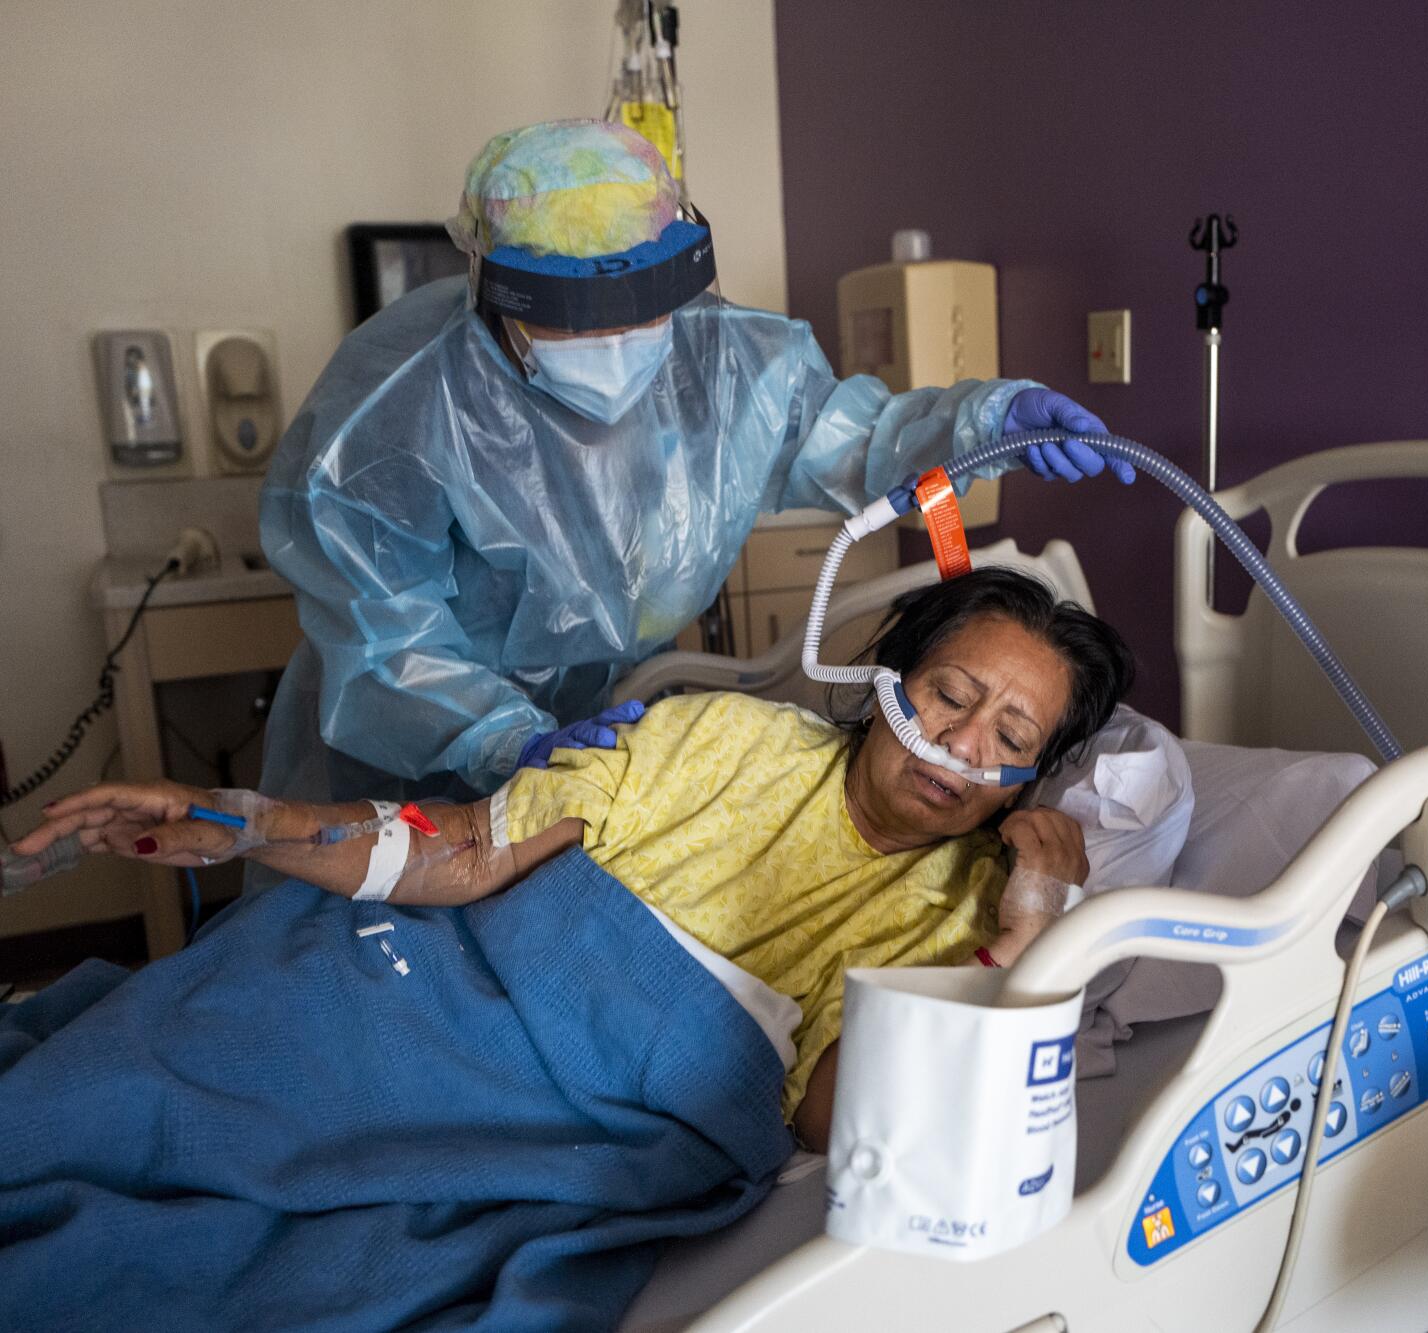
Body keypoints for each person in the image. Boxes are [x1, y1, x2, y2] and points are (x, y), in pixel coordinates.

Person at [15, 568, 1135, 1149]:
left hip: (588, 1113)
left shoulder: (964, 911)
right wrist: (240, 817)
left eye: (1011, 739)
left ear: (1031, 781)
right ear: (891, 681)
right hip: (433, 997)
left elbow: (834, 1122)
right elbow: (459, 853)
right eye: (950, 695)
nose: (960, 746)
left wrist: (1034, 932)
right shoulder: (724, 738)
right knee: (129, 1076)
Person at [258, 118, 1133, 817]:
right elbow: (386, 644)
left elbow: (862, 444)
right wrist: (502, 741)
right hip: (395, 759)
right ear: (497, 289)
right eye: (576, 315)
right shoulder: (394, 406)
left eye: (638, 307)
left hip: (599, 736)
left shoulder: (729, 362)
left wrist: (981, 421)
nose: (614, 343)